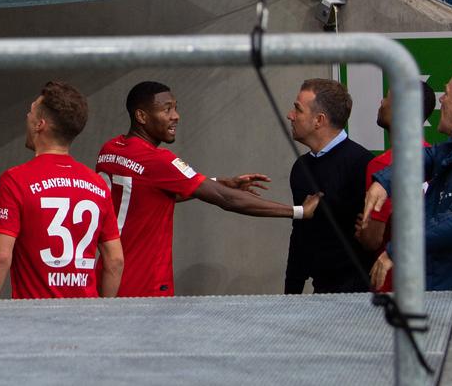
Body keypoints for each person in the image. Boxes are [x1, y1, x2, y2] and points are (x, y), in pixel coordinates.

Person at [95, 81, 320, 297]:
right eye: (167, 109)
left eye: (175, 108)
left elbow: (150, 194)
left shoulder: (111, 149)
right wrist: (298, 211)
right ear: (141, 116)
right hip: (143, 286)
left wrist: (220, 182)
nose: (176, 116)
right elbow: (226, 200)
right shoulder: (157, 160)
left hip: (107, 278)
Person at [0, 81, 124, 299]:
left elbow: (1, 255)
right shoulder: (97, 184)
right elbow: (115, 260)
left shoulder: (15, 179)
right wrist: (101, 312)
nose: (26, 118)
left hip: (34, 323)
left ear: (40, 124)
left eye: (30, 112)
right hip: (86, 321)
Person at [365, 70, 452, 291]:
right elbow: (428, 157)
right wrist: (384, 181)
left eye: (447, 93)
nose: (441, 99)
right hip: (440, 290)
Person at [284, 78, 375, 293]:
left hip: (359, 298)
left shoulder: (362, 164)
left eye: (298, 109)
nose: (290, 115)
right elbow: (300, 235)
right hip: (321, 293)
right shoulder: (300, 168)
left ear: (319, 120)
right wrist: (290, 294)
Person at [355, 81, 436, 292]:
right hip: (431, 282)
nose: (381, 102)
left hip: (392, 285)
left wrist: (364, 231)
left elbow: (372, 239)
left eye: (388, 97)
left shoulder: (383, 165)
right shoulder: (436, 160)